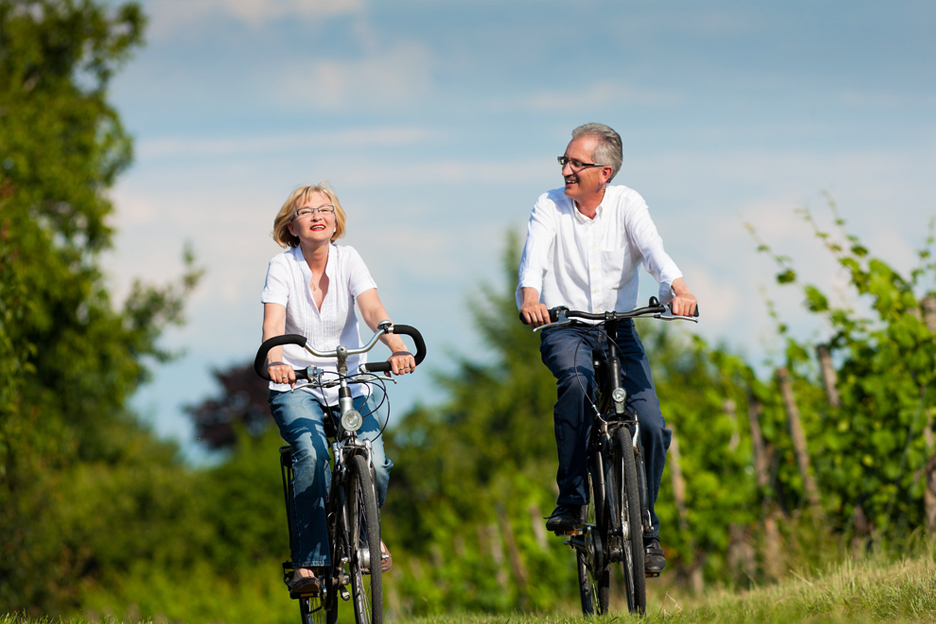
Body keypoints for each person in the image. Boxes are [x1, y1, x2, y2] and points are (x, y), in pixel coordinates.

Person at [517, 123, 697, 575]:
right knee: (576, 386)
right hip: (566, 328)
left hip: (619, 329)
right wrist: (532, 299)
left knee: (652, 425)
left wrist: (677, 287)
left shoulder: (627, 204)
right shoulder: (549, 206)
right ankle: (573, 499)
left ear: (605, 172)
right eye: (565, 160)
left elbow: (653, 250)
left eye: (577, 163)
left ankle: (645, 525)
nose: (567, 170)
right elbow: (533, 260)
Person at [261, 182, 416, 594]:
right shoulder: (282, 267)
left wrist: (397, 346)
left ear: (336, 220)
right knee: (311, 455)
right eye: (306, 211)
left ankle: (365, 536)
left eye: (325, 209)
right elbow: (273, 326)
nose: (318, 215)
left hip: (350, 383)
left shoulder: (349, 260)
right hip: (299, 385)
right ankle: (309, 564)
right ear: (291, 226)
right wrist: (276, 360)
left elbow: (372, 310)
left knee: (376, 461)